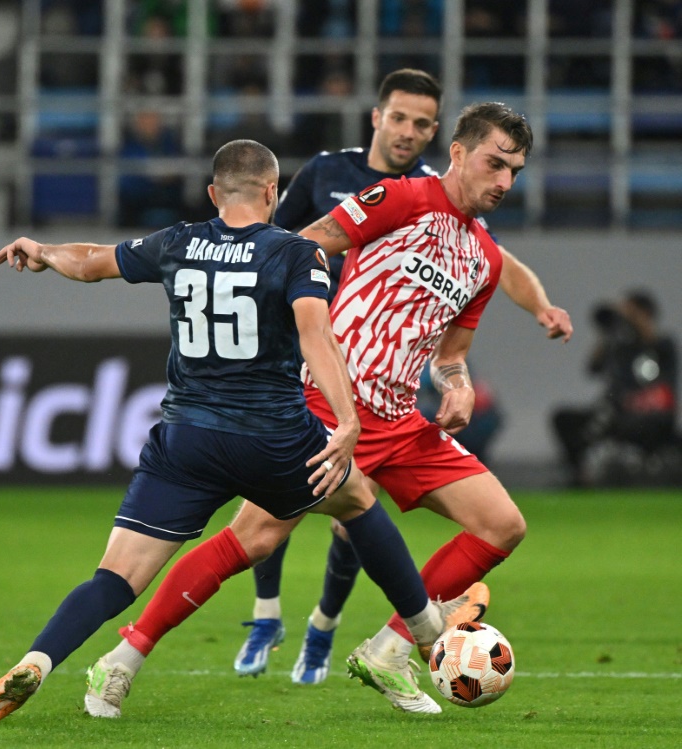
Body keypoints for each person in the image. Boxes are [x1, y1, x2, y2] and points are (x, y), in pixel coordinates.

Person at [0, 139, 489, 726]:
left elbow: (92, 261)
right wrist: (348, 419)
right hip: (272, 436)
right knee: (357, 498)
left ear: (213, 193)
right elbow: (316, 337)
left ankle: (37, 660)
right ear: (272, 193)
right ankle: (423, 629)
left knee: (115, 577)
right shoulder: (295, 253)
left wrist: (42, 250)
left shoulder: (177, 242)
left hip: (184, 440)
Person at [86, 101, 535, 716]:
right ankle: (124, 657)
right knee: (255, 540)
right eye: (495, 163)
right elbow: (305, 245)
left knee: (502, 524)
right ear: (458, 153)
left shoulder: (484, 257)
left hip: (403, 419)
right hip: (329, 405)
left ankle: (390, 650)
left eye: (515, 170)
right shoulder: (399, 198)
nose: (505, 181)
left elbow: (452, 353)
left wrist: (454, 383)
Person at [238, 68, 572, 687]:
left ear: (437, 133)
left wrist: (534, 311)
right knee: (259, 531)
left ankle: (337, 632)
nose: (408, 131)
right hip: (313, 375)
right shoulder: (334, 175)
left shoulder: (452, 214)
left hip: (387, 392)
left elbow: (498, 271)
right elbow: (282, 243)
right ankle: (244, 620)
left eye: (422, 122)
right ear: (377, 116)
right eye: (401, 118)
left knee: (353, 521)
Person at [552, 290, 678, 486]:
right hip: (617, 414)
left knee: (607, 424)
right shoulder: (621, 346)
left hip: (651, 419)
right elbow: (593, 368)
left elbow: (654, 347)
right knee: (564, 420)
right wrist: (608, 332)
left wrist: (639, 322)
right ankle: (580, 476)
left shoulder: (663, 344)